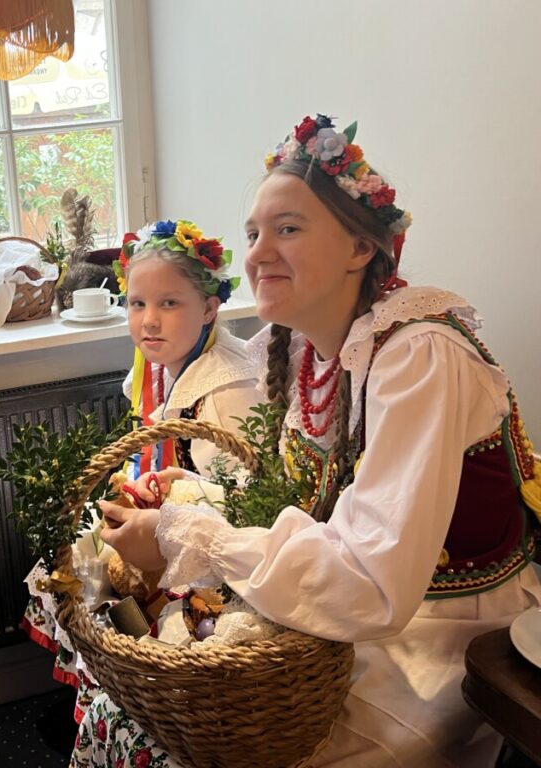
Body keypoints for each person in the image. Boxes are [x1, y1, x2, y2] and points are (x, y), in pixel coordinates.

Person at [79, 114, 541, 768]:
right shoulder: (299, 350)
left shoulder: (420, 357)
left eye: (288, 229)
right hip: (341, 612)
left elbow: (373, 583)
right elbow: (309, 509)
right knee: (161, 705)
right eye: (254, 234)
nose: (258, 253)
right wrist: (195, 496)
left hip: (439, 631)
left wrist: (188, 533)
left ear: (361, 247)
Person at [23, 218, 262, 721]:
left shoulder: (226, 389)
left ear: (209, 308)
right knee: (66, 561)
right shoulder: (157, 363)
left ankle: (142, 699)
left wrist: (170, 506)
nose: (149, 321)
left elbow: (247, 505)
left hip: (216, 550)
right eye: (137, 304)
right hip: (166, 514)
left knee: (127, 595)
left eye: (169, 303)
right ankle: (113, 686)